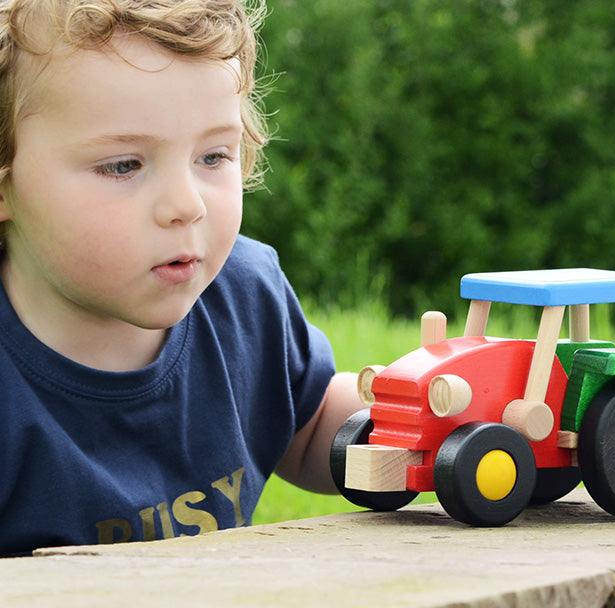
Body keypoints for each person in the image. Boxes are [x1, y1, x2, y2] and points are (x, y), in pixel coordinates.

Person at [0, 0, 364, 557]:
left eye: (214, 156)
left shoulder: (243, 293)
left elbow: (311, 429)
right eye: (124, 165)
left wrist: (405, 421)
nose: (186, 205)